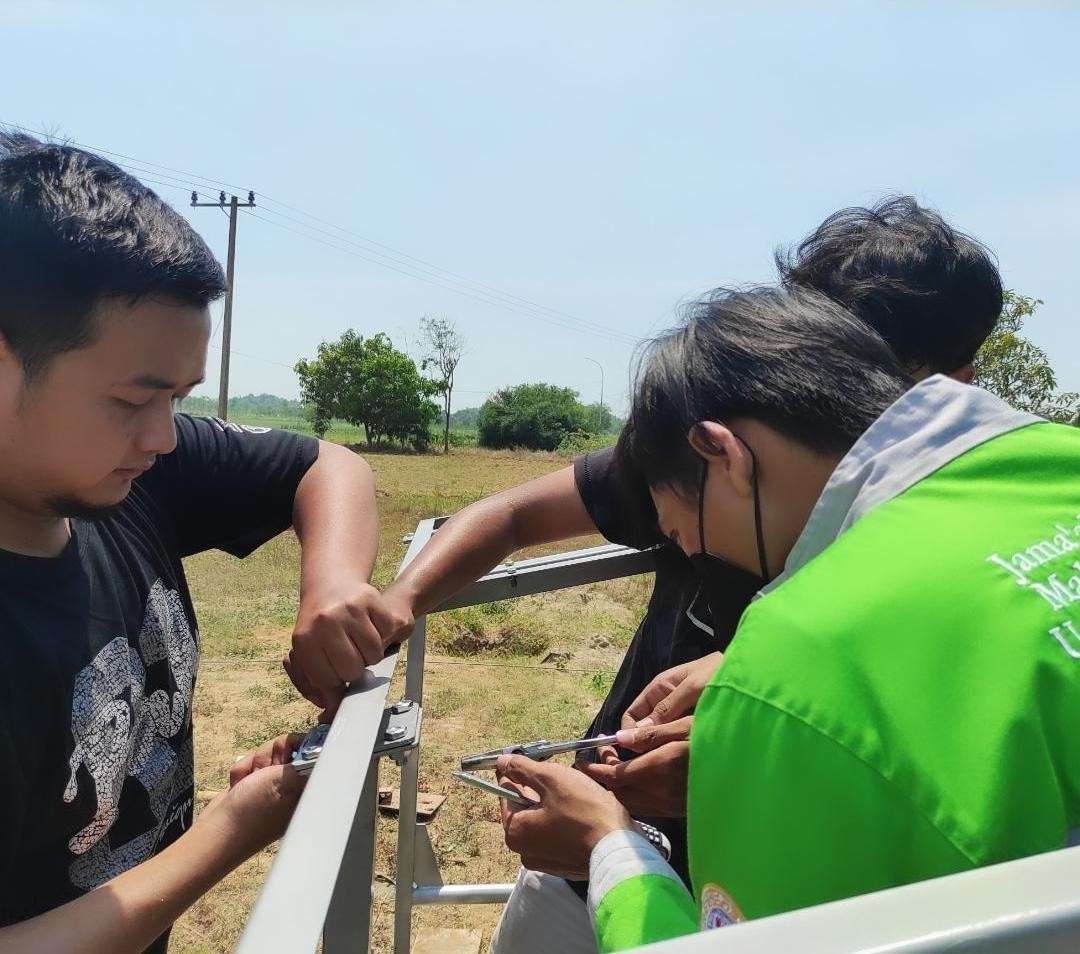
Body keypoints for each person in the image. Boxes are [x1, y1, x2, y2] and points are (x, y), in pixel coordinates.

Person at [343, 197, 1006, 954]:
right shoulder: (697, 461)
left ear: (952, 381)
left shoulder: (952, 562)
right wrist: (397, 603)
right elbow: (514, 513)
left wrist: (742, 752)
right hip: (598, 856)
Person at [496, 284, 1080, 951]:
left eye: (688, 534)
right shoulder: (1059, 468)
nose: (704, 559)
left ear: (723, 455)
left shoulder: (792, 655)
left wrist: (610, 848)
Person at [0, 132, 397, 952]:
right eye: (132, 399)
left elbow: (328, 465)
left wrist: (329, 584)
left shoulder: (133, 476)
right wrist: (229, 831)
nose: (166, 437)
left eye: (176, 399)